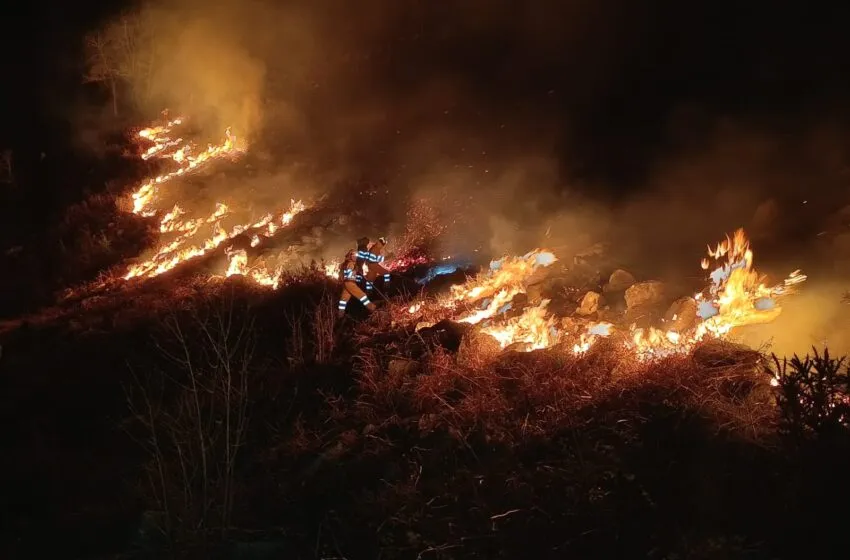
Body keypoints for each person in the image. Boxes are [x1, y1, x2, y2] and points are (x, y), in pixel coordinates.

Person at [338, 248, 376, 317]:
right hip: (350, 283)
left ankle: (340, 315)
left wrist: (358, 278)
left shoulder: (344, 264)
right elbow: (350, 275)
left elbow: (344, 275)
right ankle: (372, 308)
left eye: (356, 256)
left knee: (344, 299)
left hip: (346, 283)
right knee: (362, 295)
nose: (356, 257)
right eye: (354, 255)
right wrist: (354, 270)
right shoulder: (350, 264)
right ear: (350, 256)